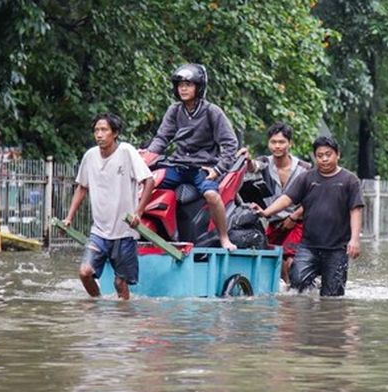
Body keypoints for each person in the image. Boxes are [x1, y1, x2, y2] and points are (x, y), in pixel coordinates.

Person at [141, 63, 238, 250]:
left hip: (201, 168)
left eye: (189, 84)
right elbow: (162, 138)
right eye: (180, 85)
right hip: (177, 166)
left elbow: (230, 143)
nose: (183, 88)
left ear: (199, 87)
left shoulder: (212, 111)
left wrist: (218, 169)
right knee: (146, 183)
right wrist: (146, 158)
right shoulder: (174, 110)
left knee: (211, 196)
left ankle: (224, 237)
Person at [251, 136, 364, 296]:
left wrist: (355, 240)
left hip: (337, 248)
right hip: (308, 246)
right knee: (297, 285)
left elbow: (356, 210)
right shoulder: (306, 178)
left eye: (328, 154)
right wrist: (266, 212)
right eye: (319, 155)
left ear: (337, 155)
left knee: (332, 297)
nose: (324, 159)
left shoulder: (350, 180)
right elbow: (286, 199)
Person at [63, 113, 154, 300]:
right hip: (99, 232)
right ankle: (97, 304)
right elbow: (82, 188)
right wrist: (69, 217)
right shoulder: (90, 156)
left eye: (104, 130)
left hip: (125, 232)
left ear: (115, 133)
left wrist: (139, 212)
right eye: (96, 130)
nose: (99, 134)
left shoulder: (126, 152)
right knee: (84, 272)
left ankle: (122, 320)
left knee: (120, 284)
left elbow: (149, 181)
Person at [242, 122, 311, 282]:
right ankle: (287, 296)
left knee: (289, 260)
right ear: (268, 143)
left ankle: (290, 300)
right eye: (273, 142)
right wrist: (248, 160)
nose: (277, 146)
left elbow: (311, 199)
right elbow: (253, 166)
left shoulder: (303, 168)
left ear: (290, 144)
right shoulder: (265, 163)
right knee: (273, 262)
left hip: (297, 222)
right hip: (273, 222)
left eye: (282, 142)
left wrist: (294, 217)